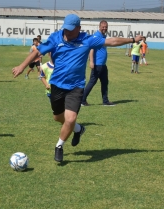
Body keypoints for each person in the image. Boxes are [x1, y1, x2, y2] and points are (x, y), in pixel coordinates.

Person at [12, 14, 143, 162]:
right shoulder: (56, 37)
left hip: (76, 86)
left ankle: (59, 146)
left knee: (71, 118)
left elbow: (111, 41)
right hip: (57, 84)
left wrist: (132, 40)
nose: (67, 33)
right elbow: (37, 51)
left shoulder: (87, 40)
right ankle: (78, 129)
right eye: (65, 29)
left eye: (70, 30)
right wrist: (22, 66)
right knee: (58, 117)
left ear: (79, 28)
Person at [81, 20, 115, 107]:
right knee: (92, 82)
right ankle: (82, 100)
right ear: (99, 27)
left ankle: (105, 101)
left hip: (103, 65)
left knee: (105, 82)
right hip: (97, 64)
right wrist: (91, 62)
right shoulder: (96, 36)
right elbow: (91, 49)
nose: (104, 28)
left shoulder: (103, 36)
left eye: (106, 27)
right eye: (103, 27)